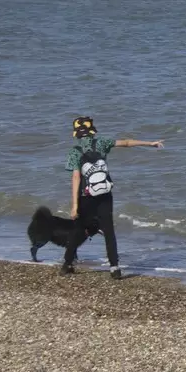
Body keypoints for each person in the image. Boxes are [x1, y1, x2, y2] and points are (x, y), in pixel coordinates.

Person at [62, 116, 164, 278]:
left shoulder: (75, 151)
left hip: (86, 197)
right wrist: (149, 143)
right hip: (105, 194)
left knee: (79, 230)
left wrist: (74, 205)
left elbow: (76, 178)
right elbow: (126, 143)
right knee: (109, 231)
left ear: (76, 133)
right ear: (92, 131)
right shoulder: (102, 143)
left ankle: (67, 264)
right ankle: (114, 268)